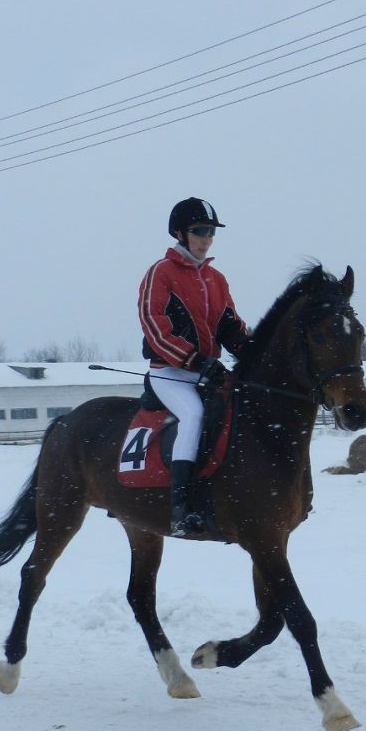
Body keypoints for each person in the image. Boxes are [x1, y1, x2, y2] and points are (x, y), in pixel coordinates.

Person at [138, 197, 251, 536]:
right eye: (199, 231)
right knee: (194, 416)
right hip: (170, 372)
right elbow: (154, 326)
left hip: (206, 370)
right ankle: (181, 508)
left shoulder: (217, 278)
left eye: (211, 233)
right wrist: (195, 361)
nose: (206, 239)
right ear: (180, 233)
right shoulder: (161, 272)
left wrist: (253, 352)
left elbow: (231, 325)